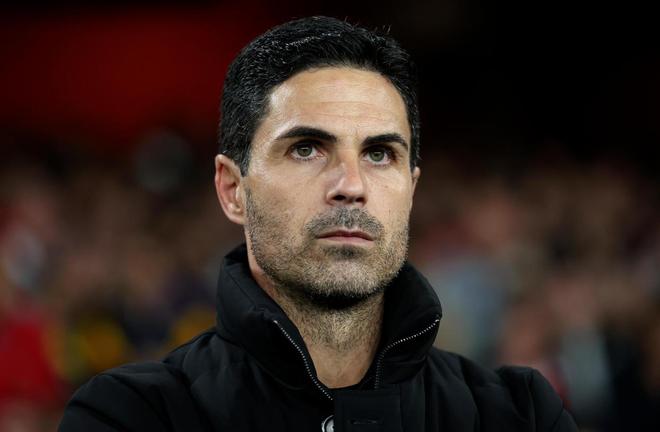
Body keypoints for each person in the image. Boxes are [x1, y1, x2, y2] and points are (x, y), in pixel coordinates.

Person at [59, 16, 577, 431]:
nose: (351, 185)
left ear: (412, 189)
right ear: (232, 189)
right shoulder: (130, 415)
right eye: (306, 148)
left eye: (379, 154)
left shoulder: (520, 415)